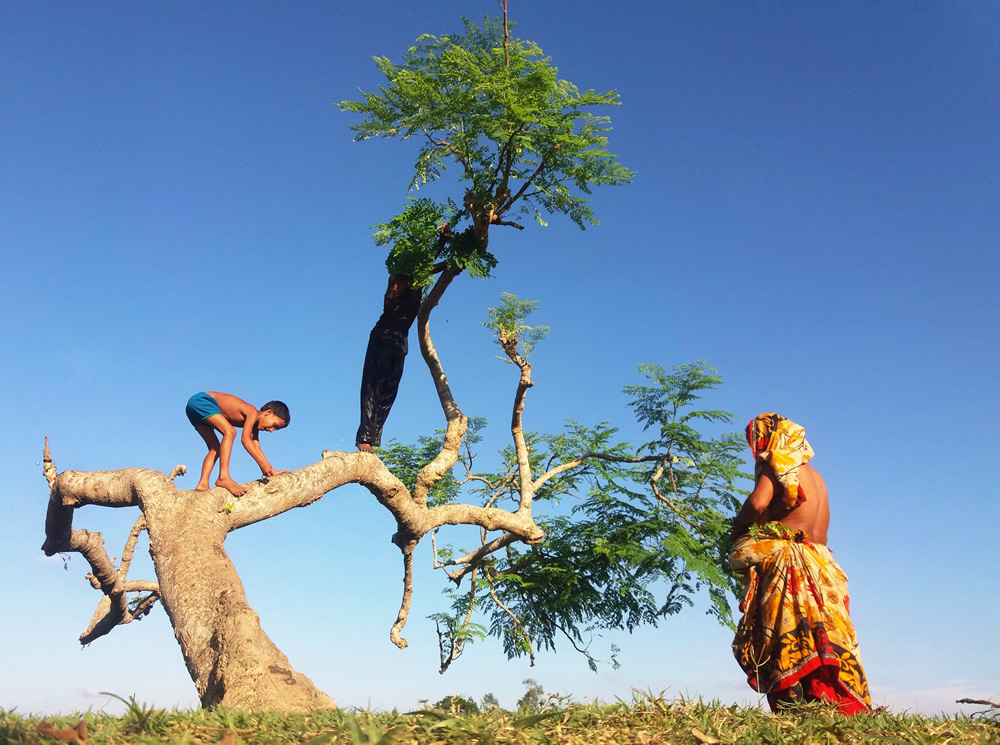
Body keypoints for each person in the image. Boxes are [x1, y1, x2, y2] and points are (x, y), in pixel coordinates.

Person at [729, 413, 871, 715]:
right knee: (826, 636)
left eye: (756, 440)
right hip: (823, 564)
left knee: (785, 633)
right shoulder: (816, 475)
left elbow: (757, 503)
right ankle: (828, 706)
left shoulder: (779, 462)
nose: (756, 449)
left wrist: (737, 527)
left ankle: (795, 707)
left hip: (791, 560)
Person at [355, 274, 422, 452]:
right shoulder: (398, 277)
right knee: (373, 386)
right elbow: (391, 294)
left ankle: (373, 436)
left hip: (401, 340)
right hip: (384, 335)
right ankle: (365, 437)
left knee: (389, 392)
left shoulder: (420, 281)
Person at [185, 391, 290, 497]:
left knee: (216, 448)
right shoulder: (252, 411)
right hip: (203, 401)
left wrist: (272, 470)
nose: (271, 430)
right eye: (274, 425)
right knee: (230, 432)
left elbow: (256, 447)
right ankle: (223, 477)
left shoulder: (254, 426)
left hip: (194, 408)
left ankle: (202, 484)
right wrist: (263, 465)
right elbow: (245, 440)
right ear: (269, 412)